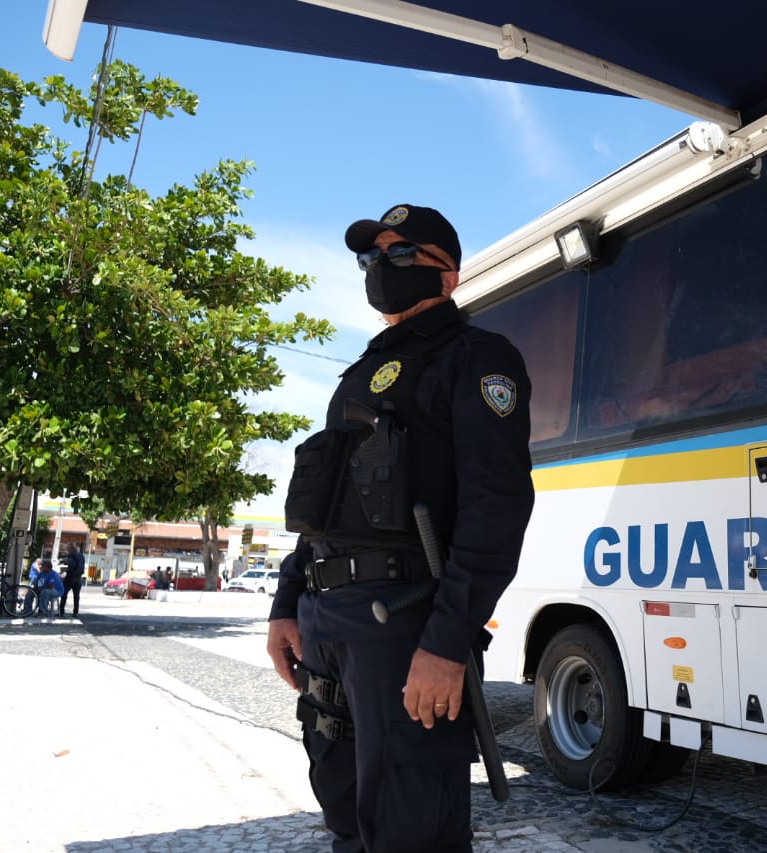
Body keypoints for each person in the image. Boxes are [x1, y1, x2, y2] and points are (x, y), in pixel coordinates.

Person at [266, 203, 534, 853]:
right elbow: (324, 505)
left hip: (406, 623)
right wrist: (285, 602)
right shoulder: (357, 376)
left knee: (412, 825)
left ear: (448, 276)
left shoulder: (477, 357)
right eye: (373, 257)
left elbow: (496, 509)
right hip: (328, 621)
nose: (383, 267)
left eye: (403, 255)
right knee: (346, 811)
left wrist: (447, 644)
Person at [59, 543, 85, 617]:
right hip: (79, 578)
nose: (67, 550)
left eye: (68, 548)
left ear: (71, 548)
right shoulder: (81, 555)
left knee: (64, 594)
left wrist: (66, 568)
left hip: (70, 577)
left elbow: (72, 565)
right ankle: (75, 612)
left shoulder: (71, 555)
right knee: (76, 596)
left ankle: (61, 611)